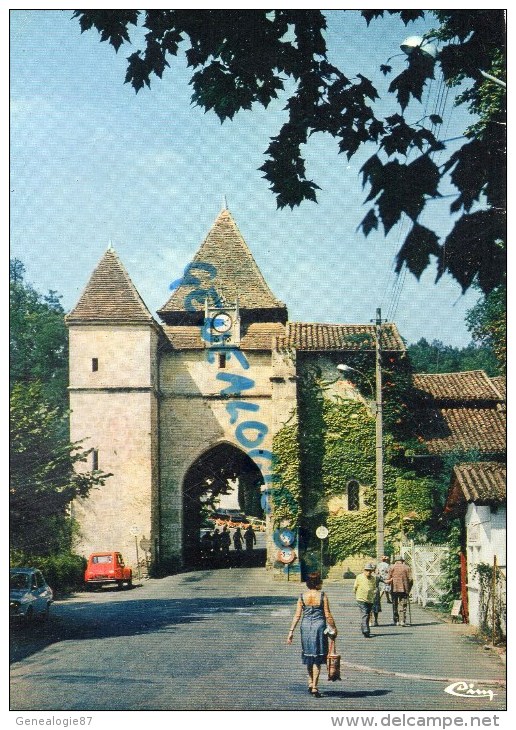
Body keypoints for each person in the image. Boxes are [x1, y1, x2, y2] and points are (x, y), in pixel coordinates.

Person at [287, 571, 337, 697]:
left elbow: (297, 615)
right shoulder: (323, 596)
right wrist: (334, 628)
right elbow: (328, 615)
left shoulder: (302, 596)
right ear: (318, 582)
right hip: (319, 627)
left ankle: (310, 682)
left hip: (305, 627)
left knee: (309, 655)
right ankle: (314, 686)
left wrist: (291, 631)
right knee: (317, 657)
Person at [386, 555, 413, 626]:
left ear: (395, 561)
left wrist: (389, 587)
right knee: (403, 604)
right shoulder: (407, 567)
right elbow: (410, 579)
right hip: (404, 589)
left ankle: (396, 621)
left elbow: (388, 578)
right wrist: (409, 589)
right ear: (402, 561)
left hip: (394, 588)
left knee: (394, 604)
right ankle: (402, 621)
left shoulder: (391, 567)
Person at [353, 562, 376, 637]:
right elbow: (355, 587)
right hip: (361, 598)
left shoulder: (373, 578)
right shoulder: (359, 577)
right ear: (364, 570)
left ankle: (363, 627)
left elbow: (374, 587)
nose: (368, 572)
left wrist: (374, 593)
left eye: (370, 570)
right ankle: (366, 631)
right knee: (365, 614)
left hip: (370, 599)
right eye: (367, 570)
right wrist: (356, 594)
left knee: (367, 614)